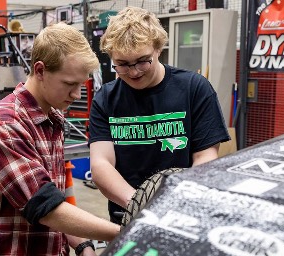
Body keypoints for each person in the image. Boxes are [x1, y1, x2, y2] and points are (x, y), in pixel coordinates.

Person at [0, 23, 120, 256]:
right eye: (69, 84)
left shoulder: (52, 118)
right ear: (40, 70)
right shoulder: (2, 126)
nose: (77, 95)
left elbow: (55, 196)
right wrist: (124, 232)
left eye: (81, 84)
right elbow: (47, 208)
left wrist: (82, 244)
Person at [88, 7, 231, 224]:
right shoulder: (106, 98)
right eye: (123, 64)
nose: (134, 72)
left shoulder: (194, 88)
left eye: (143, 60)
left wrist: (176, 204)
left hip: (184, 213)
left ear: (158, 49)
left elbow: (205, 159)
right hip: (127, 216)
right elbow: (101, 165)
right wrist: (141, 204)